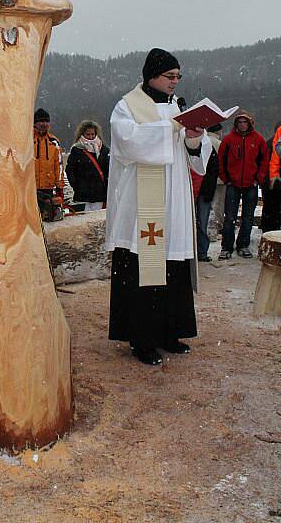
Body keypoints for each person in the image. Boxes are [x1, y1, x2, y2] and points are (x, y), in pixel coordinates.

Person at [105, 48, 211, 366]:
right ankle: (142, 340)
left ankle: (170, 332)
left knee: (172, 267)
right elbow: (128, 143)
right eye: (170, 76)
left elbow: (194, 156)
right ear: (152, 75)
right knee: (144, 268)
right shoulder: (128, 106)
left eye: (178, 77)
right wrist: (171, 130)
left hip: (173, 200)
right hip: (142, 204)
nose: (175, 82)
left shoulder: (177, 107)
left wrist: (194, 137)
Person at [218, 113, 269, 259]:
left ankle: (243, 245)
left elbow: (264, 160)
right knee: (229, 217)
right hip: (232, 184)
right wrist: (225, 178)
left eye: (244, 122)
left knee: (247, 217)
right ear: (236, 124)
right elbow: (221, 160)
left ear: (249, 123)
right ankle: (226, 247)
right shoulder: (228, 140)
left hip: (250, 184)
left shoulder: (258, 139)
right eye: (239, 122)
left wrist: (258, 178)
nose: (242, 124)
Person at [66, 120, 110, 212]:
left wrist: (106, 187)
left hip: (99, 193)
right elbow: (70, 170)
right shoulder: (77, 150)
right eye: (88, 134)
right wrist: (76, 185)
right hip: (82, 194)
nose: (91, 137)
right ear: (82, 134)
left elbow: (108, 171)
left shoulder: (104, 150)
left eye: (93, 134)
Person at [196, 124, 222, 261]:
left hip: (204, 189)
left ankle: (201, 251)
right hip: (195, 188)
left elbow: (213, 169)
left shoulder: (209, 148)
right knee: (198, 221)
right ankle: (195, 251)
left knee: (202, 221)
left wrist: (210, 187)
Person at [33, 108, 64, 221]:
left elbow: (59, 165)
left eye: (46, 121)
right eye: (41, 121)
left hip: (48, 186)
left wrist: (60, 187)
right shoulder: (27, 140)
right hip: (31, 186)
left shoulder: (54, 141)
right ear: (35, 123)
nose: (44, 124)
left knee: (48, 217)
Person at [262, 122, 281, 233]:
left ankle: (268, 230)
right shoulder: (270, 144)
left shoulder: (268, 143)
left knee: (269, 209)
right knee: (272, 209)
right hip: (271, 181)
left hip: (269, 182)